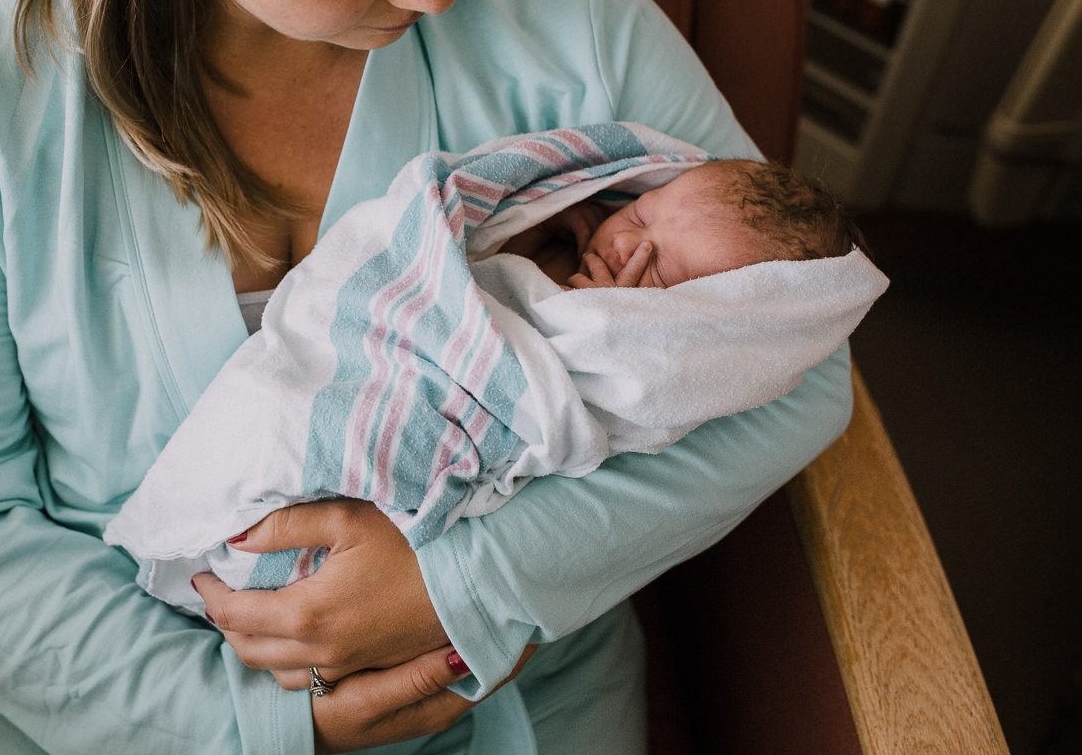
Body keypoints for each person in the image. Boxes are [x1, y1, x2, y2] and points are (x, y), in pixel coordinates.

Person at [0, 0, 859, 751]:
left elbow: (793, 362)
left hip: (497, 671)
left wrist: (464, 586)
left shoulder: (565, 0)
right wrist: (245, 725)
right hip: (89, 689)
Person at [105, 124, 888, 616]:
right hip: (348, 361)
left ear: (709, 333)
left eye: (668, 276)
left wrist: (605, 319)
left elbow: (599, 379)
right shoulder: (554, 212)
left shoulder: (650, 352)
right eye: (642, 218)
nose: (629, 251)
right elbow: (409, 258)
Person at [504, 155, 868, 290]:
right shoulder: (572, 228)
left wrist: (601, 321)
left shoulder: (636, 340)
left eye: (659, 270)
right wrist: (538, 222)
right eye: (640, 215)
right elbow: (479, 256)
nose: (625, 243)